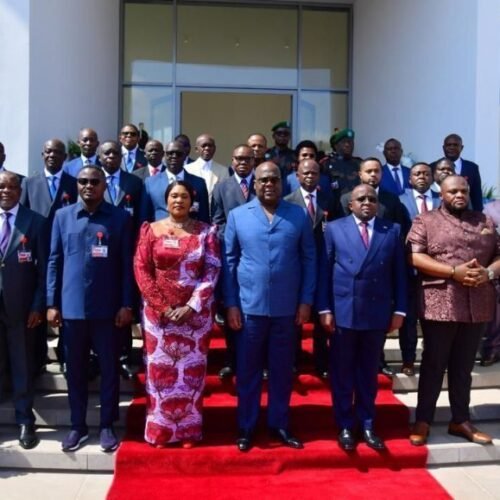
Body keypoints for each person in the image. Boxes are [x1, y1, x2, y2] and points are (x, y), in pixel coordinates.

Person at [223, 162, 316, 452]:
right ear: (254, 184)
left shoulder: (298, 215)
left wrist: (305, 301)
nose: (268, 184)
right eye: (263, 180)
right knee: (248, 371)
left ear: (282, 183)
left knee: (281, 371)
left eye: (274, 179)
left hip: (286, 309)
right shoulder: (238, 216)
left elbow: (309, 259)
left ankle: (279, 424)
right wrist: (231, 304)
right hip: (249, 308)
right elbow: (229, 262)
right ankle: (247, 426)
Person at [407, 175, 500, 447]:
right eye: (453, 192)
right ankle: (423, 420)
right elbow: (414, 256)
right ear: (442, 194)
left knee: (463, 367)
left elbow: (498, 254)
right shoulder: (425, 220)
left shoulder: (484, 221)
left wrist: (488, 273)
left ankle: (460, 420)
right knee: (434, 365)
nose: (459, 195)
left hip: (477, 304)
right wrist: (452, 272)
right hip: (441, 304)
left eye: (463, 191)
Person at [46, 166, 134, 453]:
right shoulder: (62, 217)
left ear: (103, 185)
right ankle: (78, 426)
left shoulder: (120, 218)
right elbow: (54, 261)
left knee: (109, 369)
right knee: (75, 371)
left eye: (94, 181)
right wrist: (51, 303)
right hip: (72, 310)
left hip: (107, 310)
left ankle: (107, 424)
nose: (88, 186)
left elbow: (126, 264)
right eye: (83, 181)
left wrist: (126, 304)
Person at [317, 184, 407, 451]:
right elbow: (325, 270)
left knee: (368, 373)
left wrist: (400, 310)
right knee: (343, 372)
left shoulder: (392, 230)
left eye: (372, 199)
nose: (367, 202)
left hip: (376, 312)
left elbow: (399, 274)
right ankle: (345, 424)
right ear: (350, 204)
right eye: (361, 199)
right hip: (344, 312)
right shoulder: (334, 229)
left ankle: (367, 423)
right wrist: (324, 309)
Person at [134, 181, 221, 448]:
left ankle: (188, 432)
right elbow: (141, 269)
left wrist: (192, 306)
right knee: (160, 375)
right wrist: (163, 307)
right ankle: (160, 433)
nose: (179, 201)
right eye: (174, 196)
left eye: (184, 196)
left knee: (189, 378)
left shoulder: (206, 232)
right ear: (166, 199)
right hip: (159, 318)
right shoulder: (151, 230)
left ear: (192, 202)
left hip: (195, 318)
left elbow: (212, 270)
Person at [20, 139, 78, 373]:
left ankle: (65, 355)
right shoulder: (28, 183)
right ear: (42, 155)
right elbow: (23, 216)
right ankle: (38, 356)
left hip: (65, 253)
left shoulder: (74, 183)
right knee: (39, 302)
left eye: (58, 152)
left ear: (65, 157)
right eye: (48, 151)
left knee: (63, 303)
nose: (52, 155)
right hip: (36, 254)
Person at [0, 171, 48, 449]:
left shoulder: (36, 221)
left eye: (11, 187)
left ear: (20, 191)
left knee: (22, 364)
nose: (6, 191)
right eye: (1, 186)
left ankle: (24, 420)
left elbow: (44, 270)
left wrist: (38, 305)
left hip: (22, 307)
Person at [284, 159, 341, 377]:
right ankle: (293, 360)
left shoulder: (330, 200)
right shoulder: (287, 201)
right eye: (305, 173)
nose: (310, 177)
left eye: (314, 173)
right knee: (294, 316)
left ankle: (321, 362)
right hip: (296, 265)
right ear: (297, 176)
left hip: (324, 264)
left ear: (320, 176)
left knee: (321, 314)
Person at [211, 144, 256, 380]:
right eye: (239, 158)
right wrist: (232, 236)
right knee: (231, 306)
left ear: (254, 161)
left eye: (247, 159)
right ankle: (231, 360)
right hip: (231, 253)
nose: (243, 163)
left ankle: (258, 362)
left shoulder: (263, 183)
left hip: (258, 253)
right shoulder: (222, 187)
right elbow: (217, 221)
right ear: (232, 160)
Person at [398, 163, 441, 375]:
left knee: (436, 320)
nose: (422, 177)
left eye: (426, 173)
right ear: (410, 178)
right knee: (409, 319)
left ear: (432, 177)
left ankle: (434, 361)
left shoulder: (442, 200)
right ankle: (408, 360)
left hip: (438, 270)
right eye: (417, 174)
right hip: (409, 269)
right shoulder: (399, 200)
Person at [141, 140, 209, 224]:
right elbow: (144, 217)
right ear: (165, 155)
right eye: (170, 153)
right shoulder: (150, 183)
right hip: (160, 230)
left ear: (185, 156)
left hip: (190, 230)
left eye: (178, 154)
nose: (174, 156)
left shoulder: (199, 183)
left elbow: (204, 218)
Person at [434, 134, 483, 211]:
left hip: (466, 213)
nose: (452, 147)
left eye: (455, 145)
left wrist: (479, 213)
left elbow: (476, 195)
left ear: (461, 148)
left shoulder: (472, 168)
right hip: (439, 212)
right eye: (449, 145)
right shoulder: (433, 167)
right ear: (443, 148)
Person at [480, 200, 500, 366]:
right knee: (496, 316)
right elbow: (484, 236)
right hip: (496, 267)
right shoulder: (490, 209)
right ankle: (492, 349)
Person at [185, 134, 229, 200]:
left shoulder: (223, 171)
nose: (207, 148)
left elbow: (225, 194)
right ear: (196, 149)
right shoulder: (187, 169)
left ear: (214, 149)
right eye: (204, 146)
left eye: (210, 146)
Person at [322, 128, 361, 196]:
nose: (347, 145)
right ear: (336, 146)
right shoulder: (326, 164)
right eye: (344, 142)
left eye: (350, 142)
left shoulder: (360, 163)